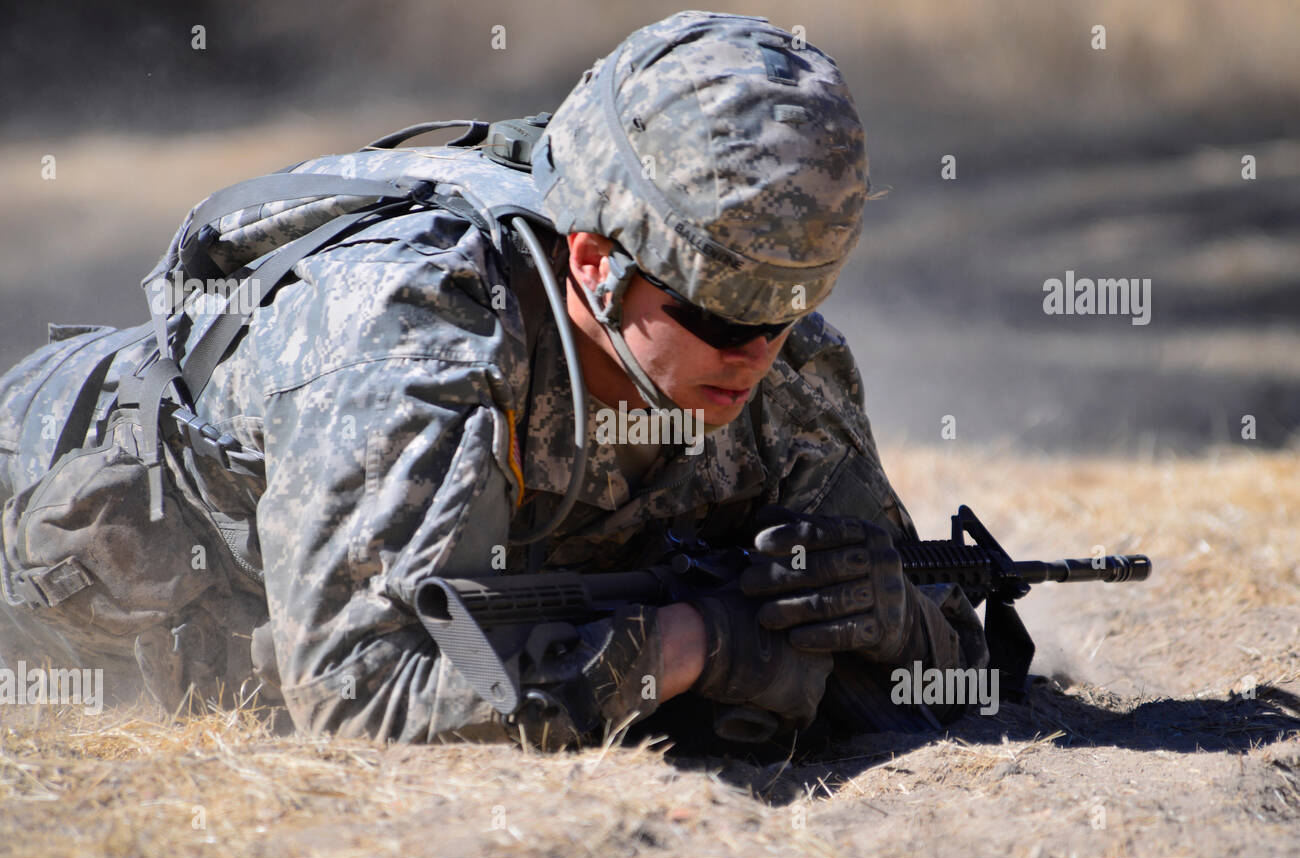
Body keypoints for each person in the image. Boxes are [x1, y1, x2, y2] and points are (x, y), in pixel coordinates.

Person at [0, 11, 987, 749]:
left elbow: (971, 682)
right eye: (717, 317)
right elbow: (363, 704)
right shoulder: (408, 336)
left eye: (782, 315)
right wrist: (693, 644)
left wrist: (894, 621)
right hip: (53, 501)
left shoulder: (786, 372)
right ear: (594, 262)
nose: (754, 357)